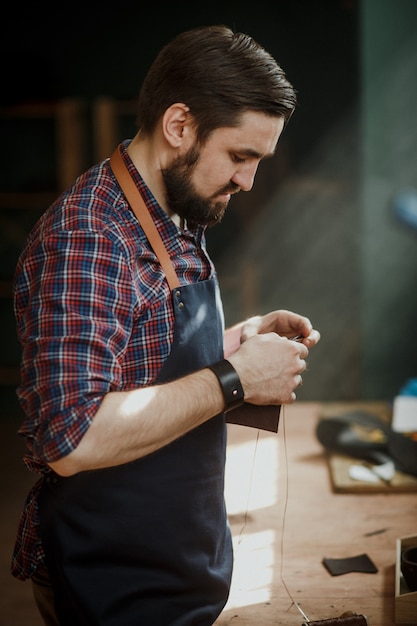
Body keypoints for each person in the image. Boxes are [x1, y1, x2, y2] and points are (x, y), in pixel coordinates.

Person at [11, 24, 320, 626]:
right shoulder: (90, 239)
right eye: (240, 155)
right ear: (179, 126)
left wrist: (241, 343)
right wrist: (234, 380)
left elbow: (138, 359)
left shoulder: (175, 210)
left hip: (175, 560)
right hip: (113, 576)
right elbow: (70, 440)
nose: (248, 180)